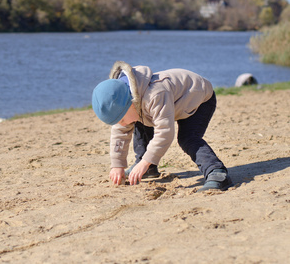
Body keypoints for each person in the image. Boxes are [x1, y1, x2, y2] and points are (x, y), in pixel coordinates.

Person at [92, 61, 232, 191]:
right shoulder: (127, 101)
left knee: (188, 138)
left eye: (121, 119)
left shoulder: (155, 94)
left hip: (198, 100)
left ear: (130, 103)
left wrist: (145, 161)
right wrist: (117, 165)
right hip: (169, 104)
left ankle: (217, 172)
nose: (121, 123)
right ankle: (149, 169)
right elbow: (120, 133)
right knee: (138, 122)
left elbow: (164, 133)